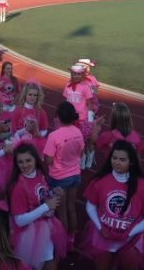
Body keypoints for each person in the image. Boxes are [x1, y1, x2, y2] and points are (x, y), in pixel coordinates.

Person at [81, 140, 144, 270]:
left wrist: (129, 233)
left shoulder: (143, 187)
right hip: (103, 236)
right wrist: (100, 227)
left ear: (131, 162)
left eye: (122, 159)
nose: (117, 162)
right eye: (114, 158)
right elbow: (90, 206)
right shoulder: (99, 181)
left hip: (131, 240)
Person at [6, 142, 66, 270]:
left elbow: (40, 195)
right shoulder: (17, 188)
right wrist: (45, 206)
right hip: (29, 235)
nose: (25, 165)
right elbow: (19, 221)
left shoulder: (40, 174)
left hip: (46, 228)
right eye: (20, 162)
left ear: (35, 160)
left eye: (28, 160)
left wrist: (53, 193)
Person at [43, 101, 84, 250]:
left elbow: (48, 160)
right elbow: (81, 152)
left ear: (58, 116)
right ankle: (71, 239)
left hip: (59, 177)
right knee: (71, 207)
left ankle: (63, 242)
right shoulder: (77, 132)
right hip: (75, 175)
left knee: (61, 212)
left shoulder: (54, 136)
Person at [62, 63, 96, 169]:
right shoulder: (67, 85)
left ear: (82, 75)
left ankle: (87, 157)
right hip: (70, 118)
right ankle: (78, 158)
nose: (76, 76)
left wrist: (90, 120)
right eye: (74, 74)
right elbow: (66, 100)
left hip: (81, 118)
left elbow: (89, 103)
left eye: (78, 74)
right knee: (72, 140)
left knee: (83, 141)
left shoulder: (85, 87)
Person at [10, 80, 49, 153]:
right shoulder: (18, 110)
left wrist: (39, 134)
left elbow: (44, 129)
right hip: (20, 143)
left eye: (35, 95)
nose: (32, 97)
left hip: (35, 144)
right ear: (25, 95)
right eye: (30, 94)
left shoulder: (41, 112)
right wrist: (23, 134)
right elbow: (13, 131)